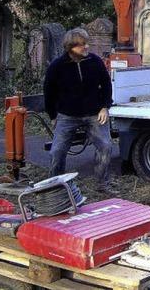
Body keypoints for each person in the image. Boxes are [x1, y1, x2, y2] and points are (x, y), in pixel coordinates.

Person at [44, 28, 115, 192]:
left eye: (87, 43)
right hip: (67, 115)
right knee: (56, 151)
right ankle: (55, 186)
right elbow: (49, 92)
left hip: (94, 113)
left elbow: (106, 84)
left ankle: (102, 183)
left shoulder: (95, 61)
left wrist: (105, 106)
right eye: (82, 45)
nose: (87, 47)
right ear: (71, 48)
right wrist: (52, 115)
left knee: (105, 146)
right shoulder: (57, 66)